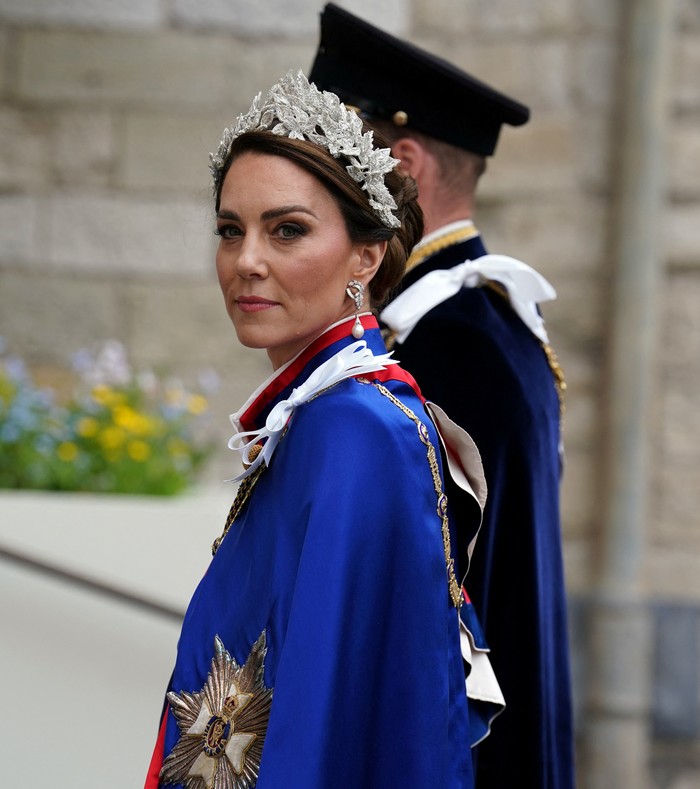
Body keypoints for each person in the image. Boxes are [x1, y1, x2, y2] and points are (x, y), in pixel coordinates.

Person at [144, 70, 501, 789]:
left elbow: (327, 716)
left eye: (288, 230)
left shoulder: (357, 431)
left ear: (365, 257)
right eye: (229, 230)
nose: (246, 260)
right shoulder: (320, 414)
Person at [310, 6, 575, 789]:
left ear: (402, 164)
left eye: (328, 162)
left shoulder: (443, 344)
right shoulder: (477, 321)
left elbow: (419, 619)